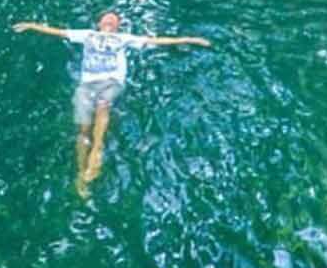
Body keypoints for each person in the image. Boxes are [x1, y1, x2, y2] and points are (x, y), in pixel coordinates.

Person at [12, 11, 211, 196]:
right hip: (87, 85)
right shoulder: (87, 35)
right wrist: (31, 25)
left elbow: (156, 40)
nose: (110, 20)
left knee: (103, 105)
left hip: (111, 82)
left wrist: (189, 39)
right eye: (106, 18)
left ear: (118, 26)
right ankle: (81, 174)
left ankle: (98, 146)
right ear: (99, 23)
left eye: (114, 19)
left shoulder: (124, 39)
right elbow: (58, 32)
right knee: (82, 130)